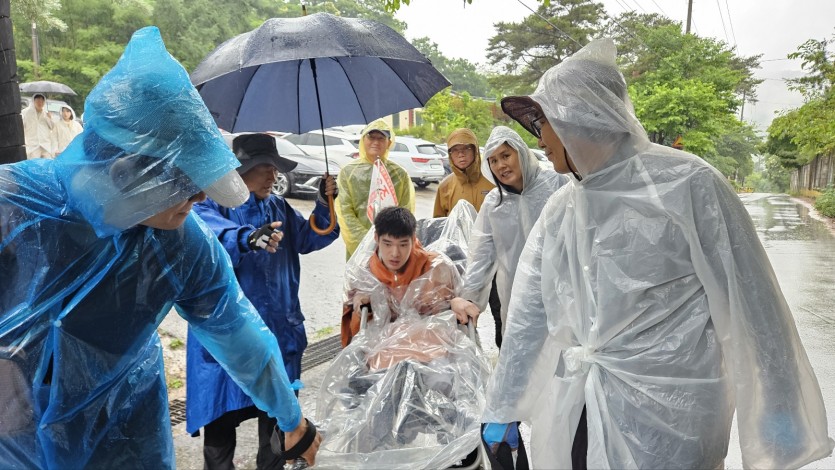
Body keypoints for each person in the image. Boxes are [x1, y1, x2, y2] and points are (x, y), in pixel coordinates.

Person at [483, 38, 834, 469]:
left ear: (582, 118)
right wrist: (503, 403)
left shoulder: (688, 185)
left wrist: (780, 405)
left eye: (544, 121)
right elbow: (530, 314)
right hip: (586, 404)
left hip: (676, 416)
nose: (540, 138)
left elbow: (752, 303)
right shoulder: (563, 209)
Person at [0, 27, 321, 468]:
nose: (200, 197)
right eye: (185, 182)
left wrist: (291, 418)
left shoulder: (182, 244)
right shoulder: (14, 203)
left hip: (127, 435)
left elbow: (237, 332)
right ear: (128, 171)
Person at [187, 132, 339, 469]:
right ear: (241, 171)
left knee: (277, 429)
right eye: (266, 167)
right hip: (228, 339)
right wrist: (247, 238)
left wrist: (324, 202)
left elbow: (310, 238)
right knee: (220, 427)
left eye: (275, 168)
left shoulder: (278, 206)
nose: (274, 175)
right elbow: (211, 237)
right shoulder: (211, 204)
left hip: (278, 331)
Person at [449, 126, 568, 344]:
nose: (500, 165)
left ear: (521, 152)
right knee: (521, 352)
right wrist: (468, 298)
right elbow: (481, 255)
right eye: (493, 161)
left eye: (505, 156)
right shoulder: (494, 204)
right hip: (516, 297)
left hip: (561, 294)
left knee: (561, 351)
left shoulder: (558, 185)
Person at [341, 206, 459, 347]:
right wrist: (361, 303)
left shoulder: (435, 268)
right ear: (376, 238)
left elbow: (443, 321)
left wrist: (455, 301)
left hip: (424, 345)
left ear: (413, 239)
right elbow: (355, 323)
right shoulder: (365, 274)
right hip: (382, 345)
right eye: (387, 244)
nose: (395, 253)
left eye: (403, 245)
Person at [335, 119, 414, 259]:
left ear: (389, 142)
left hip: (392, 251)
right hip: (358, 249)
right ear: (363, 140)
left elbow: (406, 212)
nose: (376, 142)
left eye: (381, 138)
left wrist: (390, 242)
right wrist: (367, 244)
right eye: (371, 137)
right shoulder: (348, 173)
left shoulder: (399, 174)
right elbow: (345, 212)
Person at [21, 92, 55, 158]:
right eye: (38, 101)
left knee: (47, 162)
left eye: (42, 101)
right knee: (34, 162)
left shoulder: (46, 113)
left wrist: (49, 118)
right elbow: (21, 127)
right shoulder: (25, 112)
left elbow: (52, 127)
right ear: (33, 101)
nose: (40, 103)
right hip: (32, 144)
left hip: (45, 144)